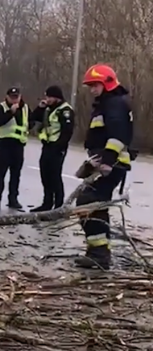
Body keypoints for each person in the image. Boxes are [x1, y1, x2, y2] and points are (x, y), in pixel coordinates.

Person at [74, 64, 135, 269]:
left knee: (88, 202)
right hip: (106, 163)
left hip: (111, 164)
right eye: (90, 86)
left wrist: (107, 161)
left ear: (107, 83)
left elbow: (118, 136)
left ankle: (99, 254)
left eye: (95, 85)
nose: (92, 89)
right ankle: (98, 252)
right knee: (95, 205)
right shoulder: (109, 103)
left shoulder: (114, 104)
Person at [29, 85, 74, 212]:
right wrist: (40, 107)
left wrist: (59, 147)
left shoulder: (65, 110)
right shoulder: (48, 109)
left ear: (56, 97)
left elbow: (67, 131)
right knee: (45, 174)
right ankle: (47, 203)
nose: (47, 99)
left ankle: (58, 205)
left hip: (58, 147)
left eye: (49, 97)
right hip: (47, 145)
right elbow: (33, 118)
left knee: (55, 176)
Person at [0, 87, 29, 210]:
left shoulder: (24, 107)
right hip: (4, 145)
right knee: (1, 174)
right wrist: (10, 112)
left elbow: (30, 121)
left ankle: (13, 199)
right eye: (12, 97)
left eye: (16, 97)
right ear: (7, 97)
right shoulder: (1, 107)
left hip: (18, 145)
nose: (14, 100)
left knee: (15, 175)